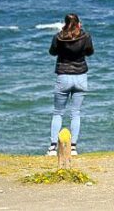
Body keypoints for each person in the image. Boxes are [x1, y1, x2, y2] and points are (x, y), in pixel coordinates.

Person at [47, 14, 94, 155]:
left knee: (58, 113)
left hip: (63, 76)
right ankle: (73, 147)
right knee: (75, 113)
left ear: (65, 23)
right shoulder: (85, 37)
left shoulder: (59, 37)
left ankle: (53, 147)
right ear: (79, 23)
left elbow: (52, 52)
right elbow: (90, 52)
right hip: (80, 76)